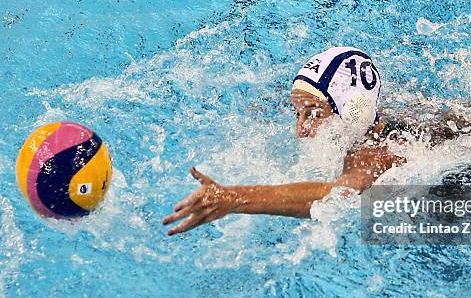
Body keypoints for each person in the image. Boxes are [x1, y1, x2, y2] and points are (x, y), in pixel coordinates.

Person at [163, 47, 408, 235]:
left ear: (353, 111)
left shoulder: (377, 151)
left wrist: (233, 198)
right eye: (297, 113)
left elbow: (338, 194)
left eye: (312, 113)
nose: (300, 129)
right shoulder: (360, 126)